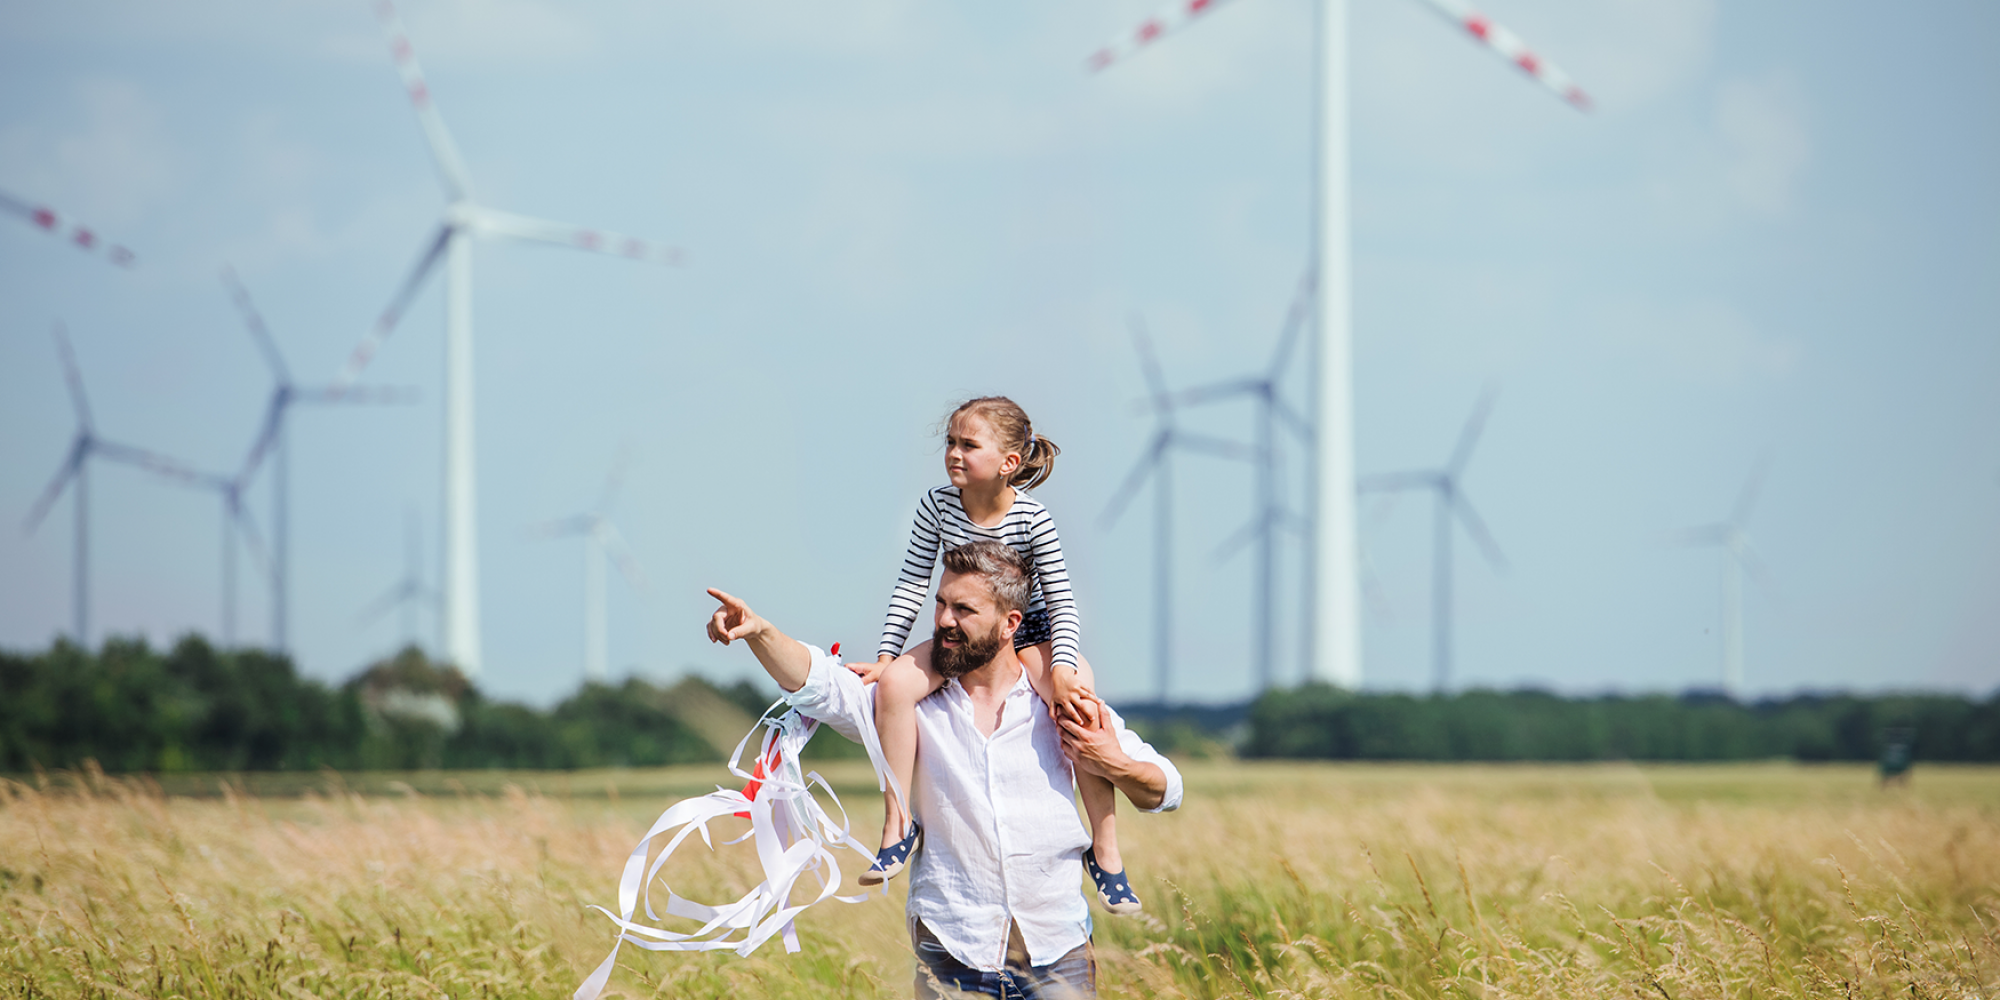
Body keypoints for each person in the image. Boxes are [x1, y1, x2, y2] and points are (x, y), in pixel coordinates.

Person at [706, 541, 1183, 999]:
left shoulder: (1058, 702)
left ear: (1010, 623)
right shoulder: (908, 703)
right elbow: (820, 684)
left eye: (964, 610)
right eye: (940, 604)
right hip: (952, 953)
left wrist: (1112, 762)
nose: (943, 622)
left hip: (1060, 953)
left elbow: (1165, 787)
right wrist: (761, 632)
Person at [857, 397, 1142, 915]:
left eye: (968, 444)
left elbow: (1060, 598)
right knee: (895, 686)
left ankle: (1106, 850)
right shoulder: (936, 506)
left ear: (1009, 462)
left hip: (1027, 632)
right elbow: (911, 584)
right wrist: (885, 655)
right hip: (960, 631)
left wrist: (1061, 664)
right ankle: (898, 822)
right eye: (950, 443)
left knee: (1077, 699)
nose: (954, 454)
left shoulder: (1033, 517)